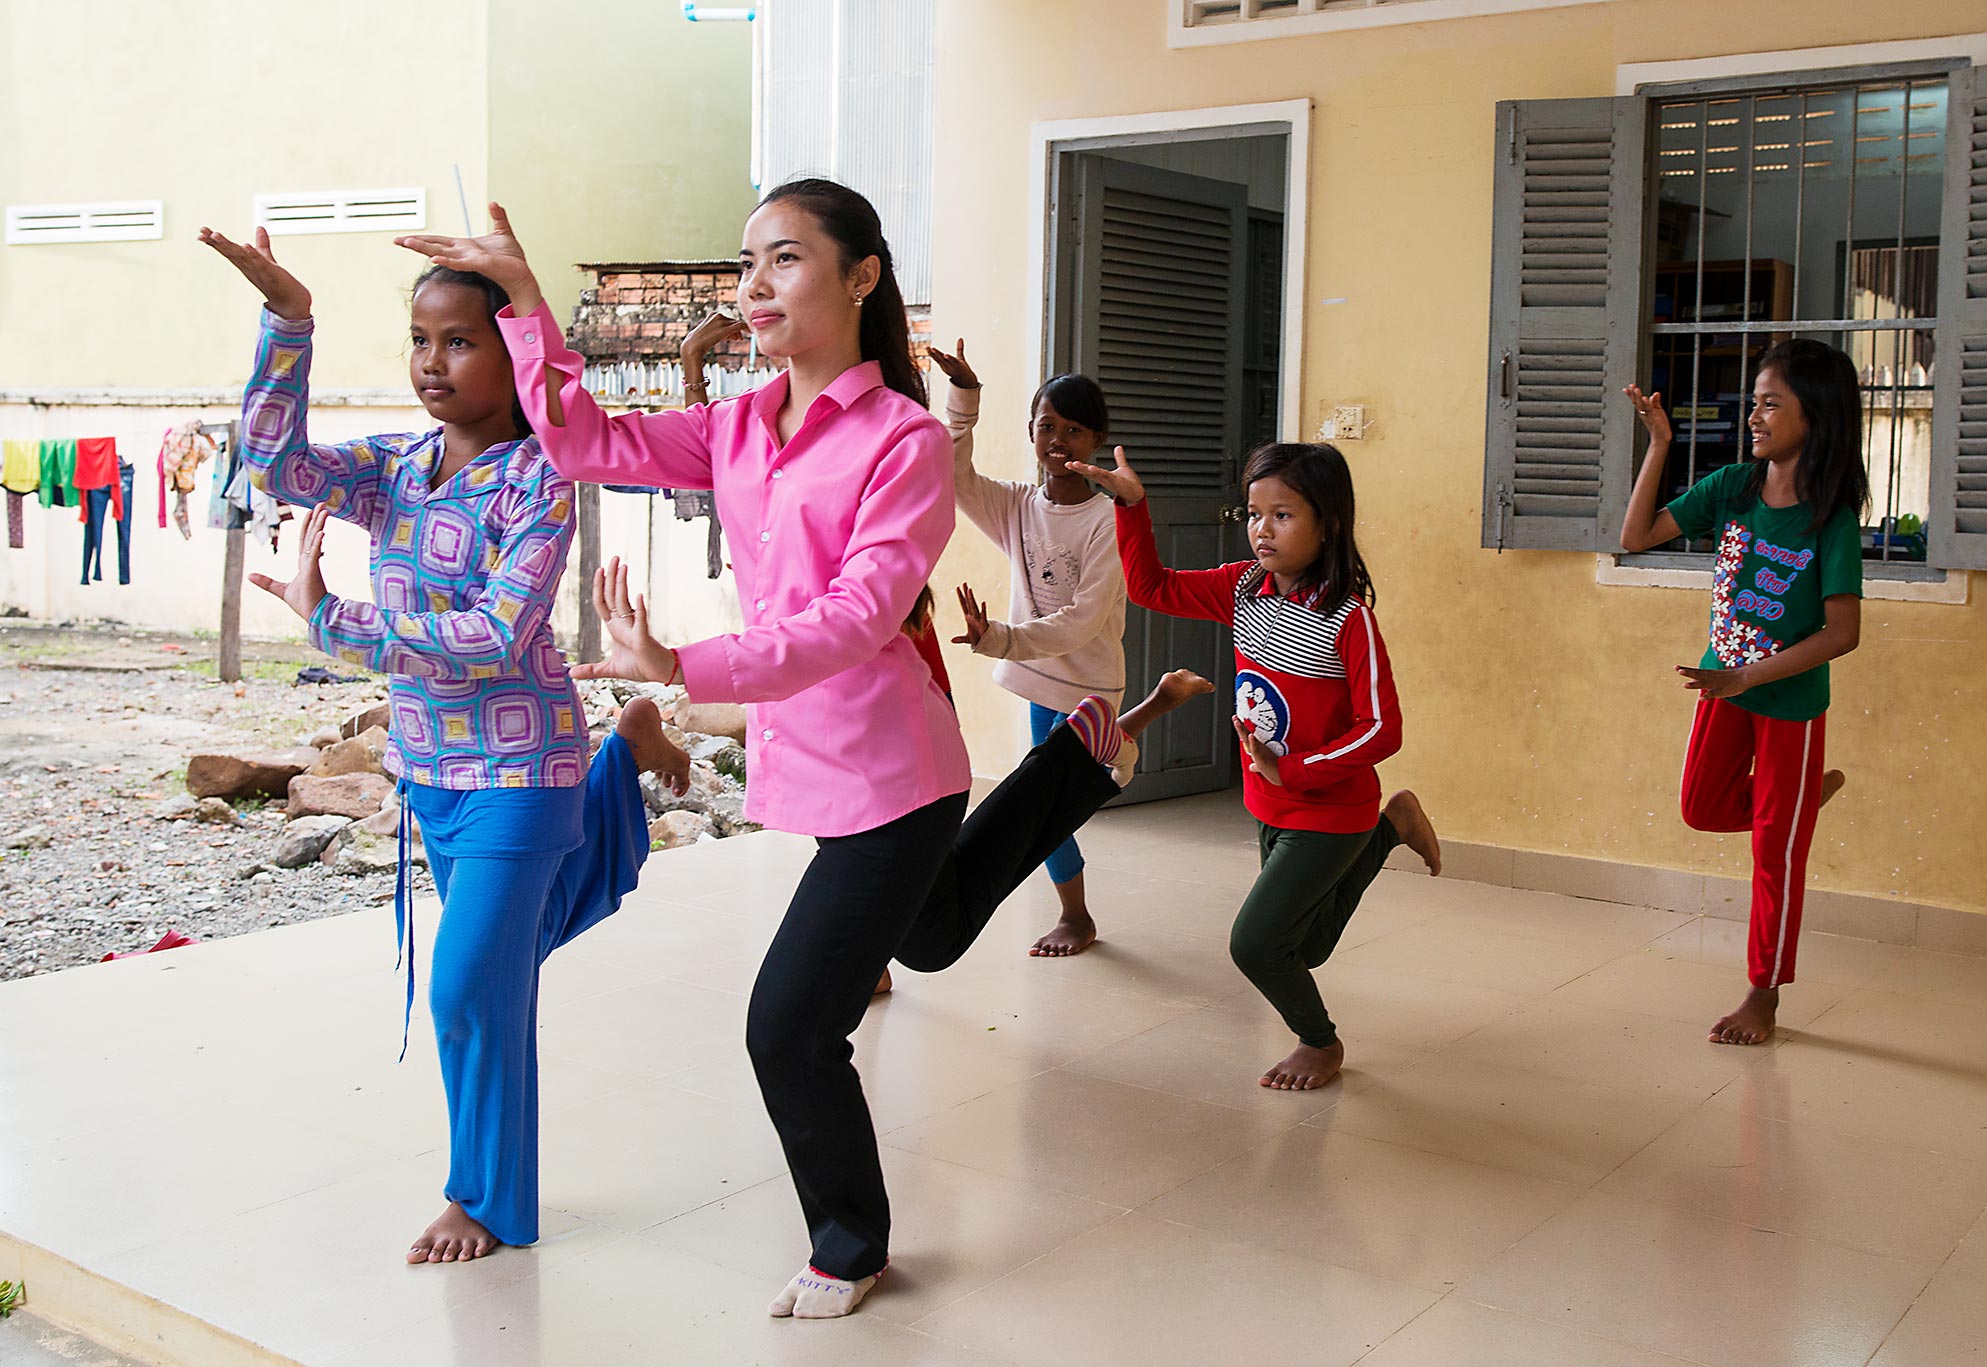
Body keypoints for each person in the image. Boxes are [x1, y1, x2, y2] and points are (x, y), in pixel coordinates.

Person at [396, 181, 1213, 1317]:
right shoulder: (735, 427)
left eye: (782, 260)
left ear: (860, 275)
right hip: (814, 766)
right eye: (746, 263)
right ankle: (1075, 763)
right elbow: (579, 439)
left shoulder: (906, 440)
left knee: (788, 1021)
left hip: (894, 773)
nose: (752, 286)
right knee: (925, 936)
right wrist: (527, 298)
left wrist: (687, 667)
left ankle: (849, 1243)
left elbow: (855, 616)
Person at [199, 224, 692, 1265]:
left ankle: (487, 1199)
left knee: (468, 984)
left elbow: (491, 636)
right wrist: (288, 319)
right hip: (428, 768)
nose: (431, 361)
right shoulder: (395, 468)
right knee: (500, 968)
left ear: (509, 353)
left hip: (520, 768)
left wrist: (330, 622)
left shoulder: (540, 478)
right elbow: (276, 462)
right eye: (420, 338)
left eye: (459, 340)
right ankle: (627, 760)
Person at [1081, 440, 1440, 1092]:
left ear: (1327, 523)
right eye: (1254, 512)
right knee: (1303, 946)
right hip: (1270, 802)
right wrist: (1132, 508)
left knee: (1255, 945)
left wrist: (1296, 770)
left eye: (1283, 515)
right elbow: (1150, 586)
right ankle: (1395, 827)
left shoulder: (1346, 619)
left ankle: (1319, 1042)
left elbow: (1383, 727)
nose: (1262, 529)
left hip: (1330, 806)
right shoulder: (1242, 588)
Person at [1621, 338, 1864, 1046]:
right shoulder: (1732, 487)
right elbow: (1637, 534)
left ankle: (1764, 991)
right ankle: (1788, 807)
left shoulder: (1830, 517)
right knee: (1700, 806)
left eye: (1770, 403)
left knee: (1773, 856)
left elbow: (1844, 632)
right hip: (1721, 683)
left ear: (1813, 417)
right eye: (1753, 402)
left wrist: (1749, 676)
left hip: (1786, 702)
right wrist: (1660, 443)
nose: (1754, 416)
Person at [928, 339, 1126, 956]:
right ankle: (1078, 916)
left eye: (1074, 429)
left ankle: (1077, 915)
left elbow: (1084, 621)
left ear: (1097, 440)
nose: (1058, 440)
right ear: (1031, 432)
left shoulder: (1109, 521)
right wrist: (964, 403)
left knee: (1058, 801)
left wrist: (1004, 640)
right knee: (1044, 809)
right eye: (1047, 426)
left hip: (1090, 686)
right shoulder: (1016, 504)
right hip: (1042, 686)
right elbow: (954, 477)